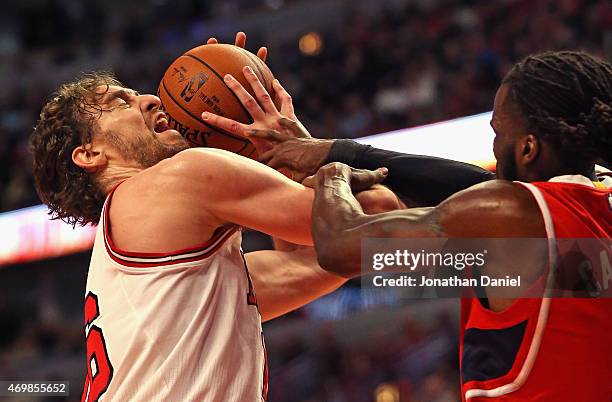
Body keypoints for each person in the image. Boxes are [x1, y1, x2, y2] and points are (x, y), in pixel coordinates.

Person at [202, 50, 612, 401]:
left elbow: (340, 247)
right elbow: (474, 188)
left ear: (527, 147)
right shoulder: (593, 208)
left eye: (498, 132)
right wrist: (331, 150)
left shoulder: (514, 217)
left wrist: (333, 172)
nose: (492, 145)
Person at [29, 33, 396, 402]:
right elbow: (356, 220)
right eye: (120, 101)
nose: (151, 98)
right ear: (89, 154)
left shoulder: (176, 280)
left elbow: (312, 257)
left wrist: (283, 155)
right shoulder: (179, 177)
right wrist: (303, 151)